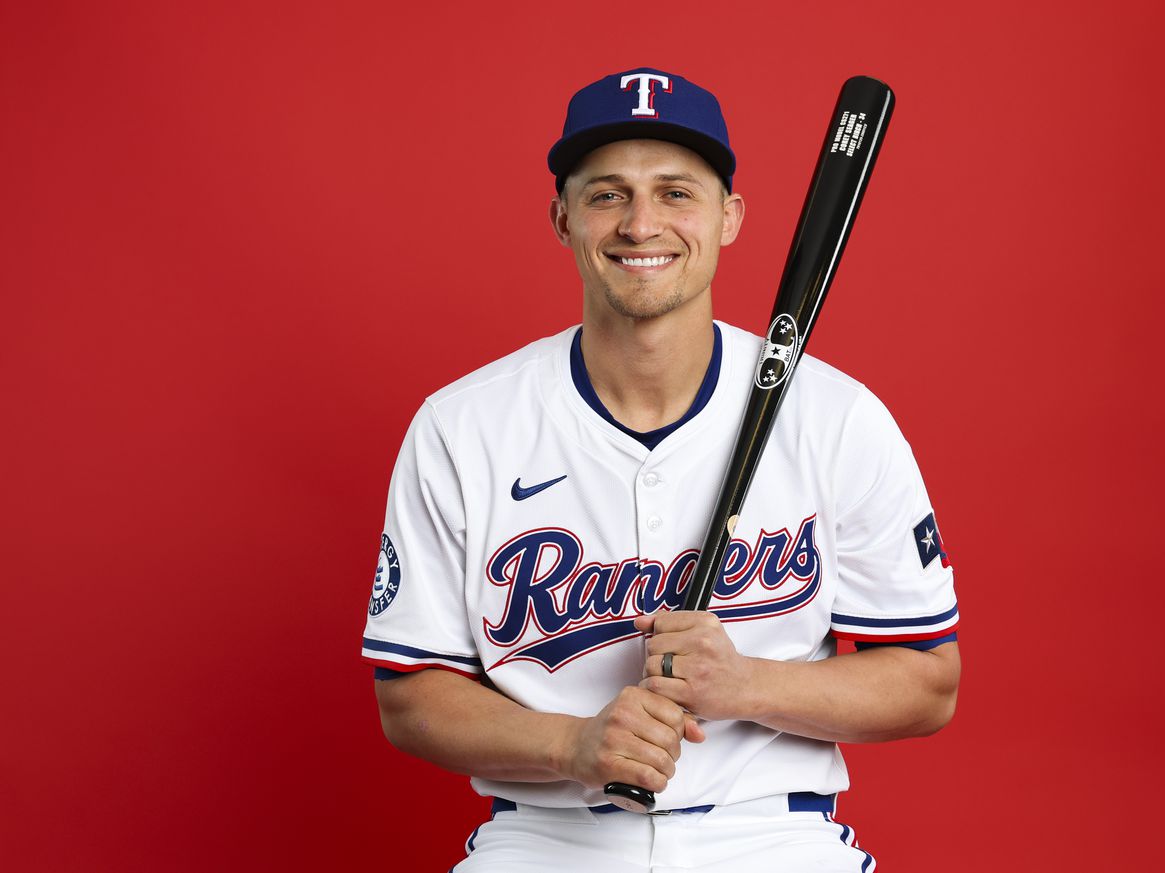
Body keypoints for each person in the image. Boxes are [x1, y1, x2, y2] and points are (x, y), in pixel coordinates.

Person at [362, 67, 960, 872]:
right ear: (563, 218)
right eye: (608, 194)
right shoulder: (462, 427)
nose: (642, 223)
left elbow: (930, 684)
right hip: (545, 838)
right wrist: (572, 742)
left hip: (774, 835)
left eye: (677, 192)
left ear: (729, 217)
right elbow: (408, 698)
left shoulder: (836, 417)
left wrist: (745, 683)